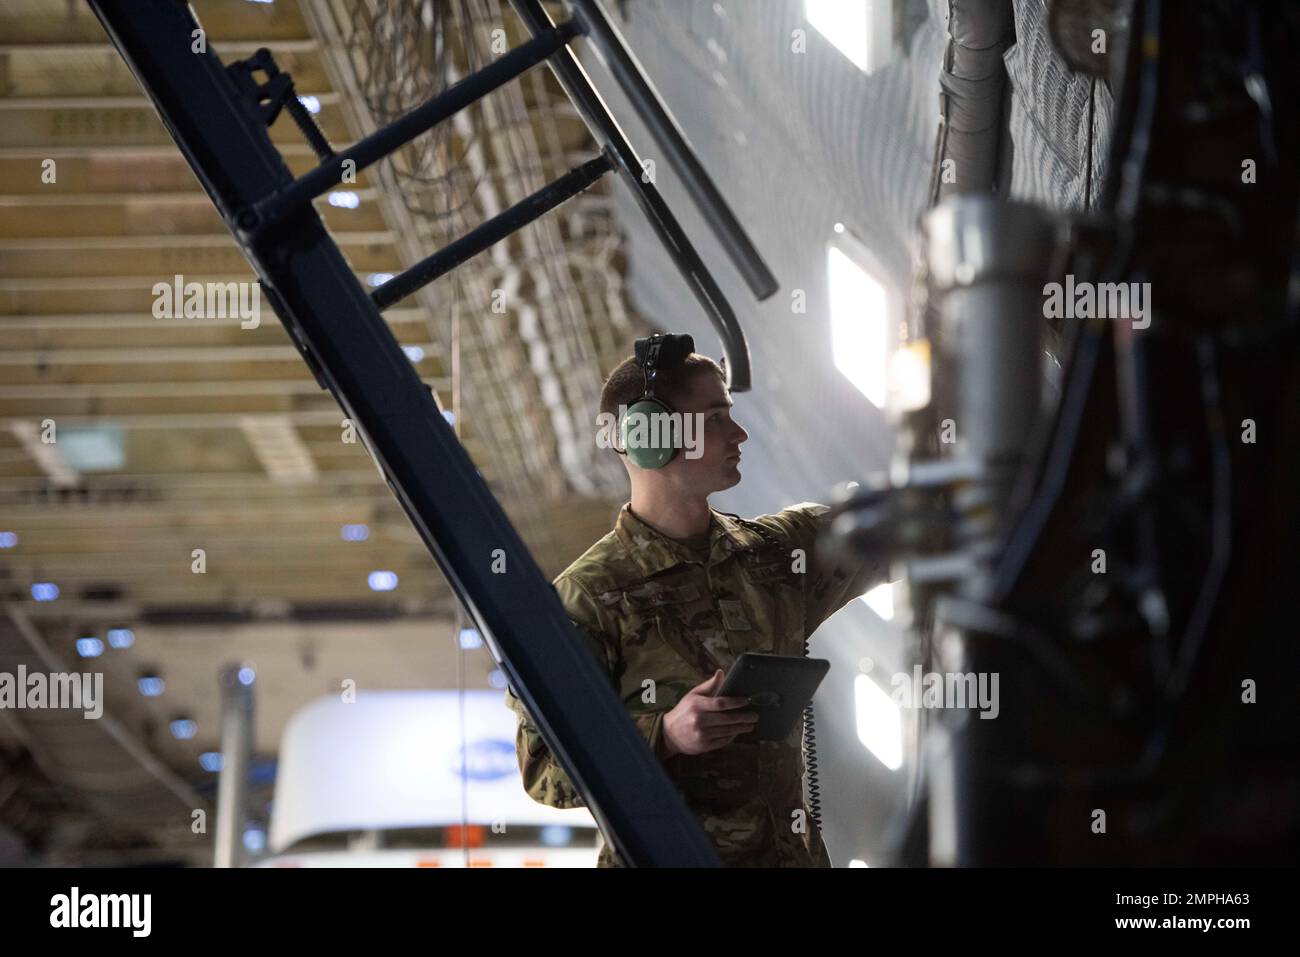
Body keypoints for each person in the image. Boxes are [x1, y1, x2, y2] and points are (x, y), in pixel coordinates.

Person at [504, 334, 886, 866]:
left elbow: (905, 529)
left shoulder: (775, 554)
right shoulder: (586, 598)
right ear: (649, 437)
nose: (740, 433)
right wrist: (666, 735)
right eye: (714, 418)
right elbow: (545, 771)